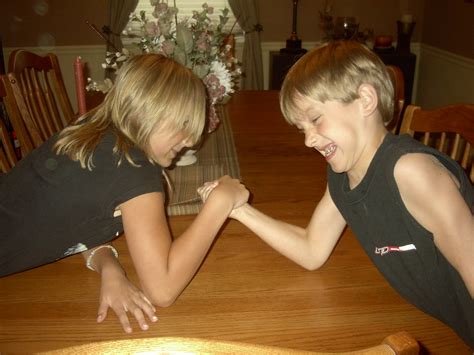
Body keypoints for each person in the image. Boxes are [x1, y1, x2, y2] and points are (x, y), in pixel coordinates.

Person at [199, 40, 474, 347]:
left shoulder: (411, 171)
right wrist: (238, 209)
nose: (308, 140)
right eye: (301, 128)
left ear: (365, 100)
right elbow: (311, 250)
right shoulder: (345, 175)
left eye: (315, 119)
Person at [1, 54, 248, 333]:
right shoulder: (134, 168)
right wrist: (220, 203)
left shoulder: (92, 130)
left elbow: (72, 211)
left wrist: (108, 265)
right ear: (148, 111)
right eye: (184, 124)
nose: (191, 141)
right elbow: (162, 290)